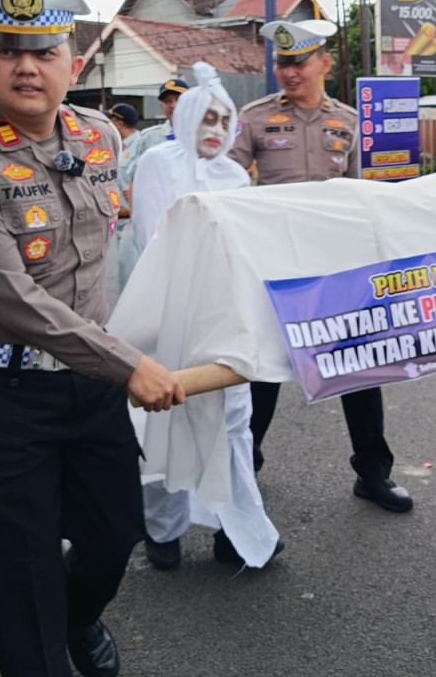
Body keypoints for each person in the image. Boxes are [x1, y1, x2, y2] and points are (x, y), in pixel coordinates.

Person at [0, 0, 185, 677]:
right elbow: (14, 300)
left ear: (73, 61)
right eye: (7, 50)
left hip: (88, 389)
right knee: (21, 576)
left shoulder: (99, 140)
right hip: (1, 398)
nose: (26, 66)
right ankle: (46, 633)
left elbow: (111, 259)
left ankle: (79, 615)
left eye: (42, 50)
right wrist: (129, 365)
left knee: (113, 532)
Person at [230, 19, 412, 514]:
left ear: (324, 64)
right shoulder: (254, 117)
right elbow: (224, 180)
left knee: (360, 370)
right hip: (276, 267)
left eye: (299, 61)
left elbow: (366, 196)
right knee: (261, 373)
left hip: (338, 269)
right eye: (282, 62)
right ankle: (245, 469)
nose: (288, 71)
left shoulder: (351, 122)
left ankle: (373, 474)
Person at [129, 62, 282, 571]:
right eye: (207, 118)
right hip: (169, 323)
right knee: (167, 428)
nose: (216, 130)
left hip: (225, 325)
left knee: (233, 429)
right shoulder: (158, 165)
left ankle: (244, 530)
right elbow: (153, 245)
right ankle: (162, 531)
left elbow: (247, 252)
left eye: (225, 120)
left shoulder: (236, 177)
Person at [105, 103, 142, 291]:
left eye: (109, 120)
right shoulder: (119, 146)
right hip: (119, 218)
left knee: (134, 272)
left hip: (135, 221)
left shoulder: (141, 143)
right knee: (123, 268)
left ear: (118, 123)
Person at [134, 77, 187, 158]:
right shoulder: (149, 138)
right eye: (167, 101)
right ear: (162, 106)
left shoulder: (202, 135)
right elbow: (136, 169)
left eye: (179, 100)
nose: (173, 105)